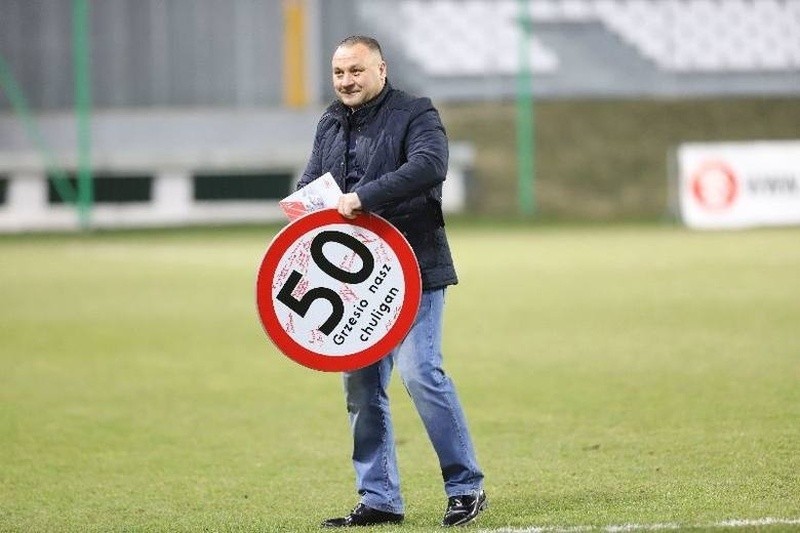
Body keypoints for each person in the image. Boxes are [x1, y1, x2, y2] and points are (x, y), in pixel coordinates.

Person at [297, 35, 486, 528]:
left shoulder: (415, 112)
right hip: (354, 282)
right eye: (339, 73)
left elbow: (429, 167)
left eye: (356, 71)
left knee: (421, 373)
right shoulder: (329, 122)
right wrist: (301, 206)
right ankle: (379, 499)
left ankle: (465, 487)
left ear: (381, 69)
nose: (346, 81)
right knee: (361, 389)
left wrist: (363, 198)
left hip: (415, 267)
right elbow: (311, 184)